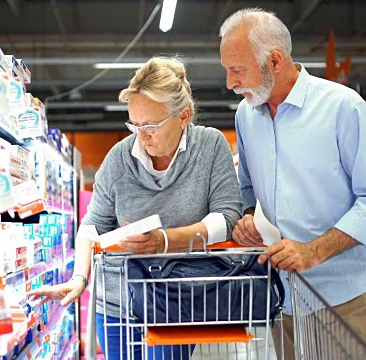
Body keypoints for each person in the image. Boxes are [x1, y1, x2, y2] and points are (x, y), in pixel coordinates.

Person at [27, 56, 242, 359]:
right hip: (118, 303)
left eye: (152, 125)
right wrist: (79, 277)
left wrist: (164, 241)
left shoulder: (210, 146)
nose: (142, 135)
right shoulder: (119, 158)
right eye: (135, 124)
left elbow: (227, 217)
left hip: (179, 300)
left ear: (183, 116)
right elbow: (93, 224)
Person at [219, 8, 366, 359]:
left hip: (341, 294)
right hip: (281, 294)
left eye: (237, 70)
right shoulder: (246, 115)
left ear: (274, 61)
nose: (230, 83)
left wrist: (312, 250)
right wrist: (250, 217)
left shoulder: (342, 108)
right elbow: (247, 187)